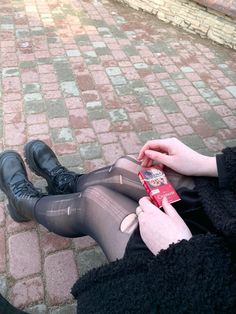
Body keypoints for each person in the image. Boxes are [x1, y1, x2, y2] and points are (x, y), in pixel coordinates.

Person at [0, 138, 235, 313]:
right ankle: (67, 183)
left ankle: (24, 204)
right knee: (126, 167)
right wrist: (211, 164)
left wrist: (179, 250)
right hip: (226, 210)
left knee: (94, 202)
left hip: (205, 275)